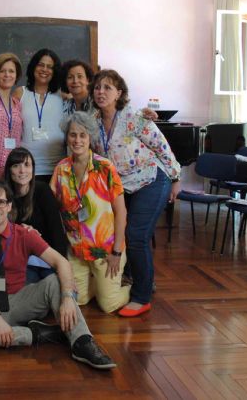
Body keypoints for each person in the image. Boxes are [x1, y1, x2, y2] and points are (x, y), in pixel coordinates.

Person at [0, 180, 116, 369]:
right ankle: (38, 334)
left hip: (21, 300)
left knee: (55, 282)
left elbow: (61, 262)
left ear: (9, 206)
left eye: (1, 201)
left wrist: (68, 297)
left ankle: (82, 342)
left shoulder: (24, 234)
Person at [90, 69, 181, 317]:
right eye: (97, 87)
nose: (101, 92)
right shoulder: (93, 122)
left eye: (107, 88)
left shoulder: (134, 117)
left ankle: (141, 297)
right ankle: (137, 278)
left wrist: (175, 178)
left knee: (136, 235)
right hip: (122, 187)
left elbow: (162, 146)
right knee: (124, 233)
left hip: (151, 179)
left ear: (119, 93)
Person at [50, 111, 129, 314]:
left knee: (109, 305)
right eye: (73, 135)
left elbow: (121, 212)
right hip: (76, 250)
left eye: (82, 135)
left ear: (90, 137)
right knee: (79, 300)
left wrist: (117, 252)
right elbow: (51, 205)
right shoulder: (61, 169)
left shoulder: (105, 168)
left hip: (105, 251)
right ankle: (102, 286)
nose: (77, 140)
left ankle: (133, 287)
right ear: (67, 137)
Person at [4, 147, 68, 283]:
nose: (22, 171)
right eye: (16, 166)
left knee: (56, 286)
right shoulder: (3, 196)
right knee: (26, 285)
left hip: (47, 258)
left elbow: (56, 230)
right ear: (9, 171)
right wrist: (22, 233)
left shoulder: (42, 190)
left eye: (27, 165)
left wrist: (61, 265)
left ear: (33, 169)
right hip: (22, 261)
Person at [13, 49, 65, 182]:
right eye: (41, 65)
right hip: (26, 168)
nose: (44, 69)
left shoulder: (63, 95)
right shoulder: (20, 93)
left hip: (58, 169)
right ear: (33, 67)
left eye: (49, 67)